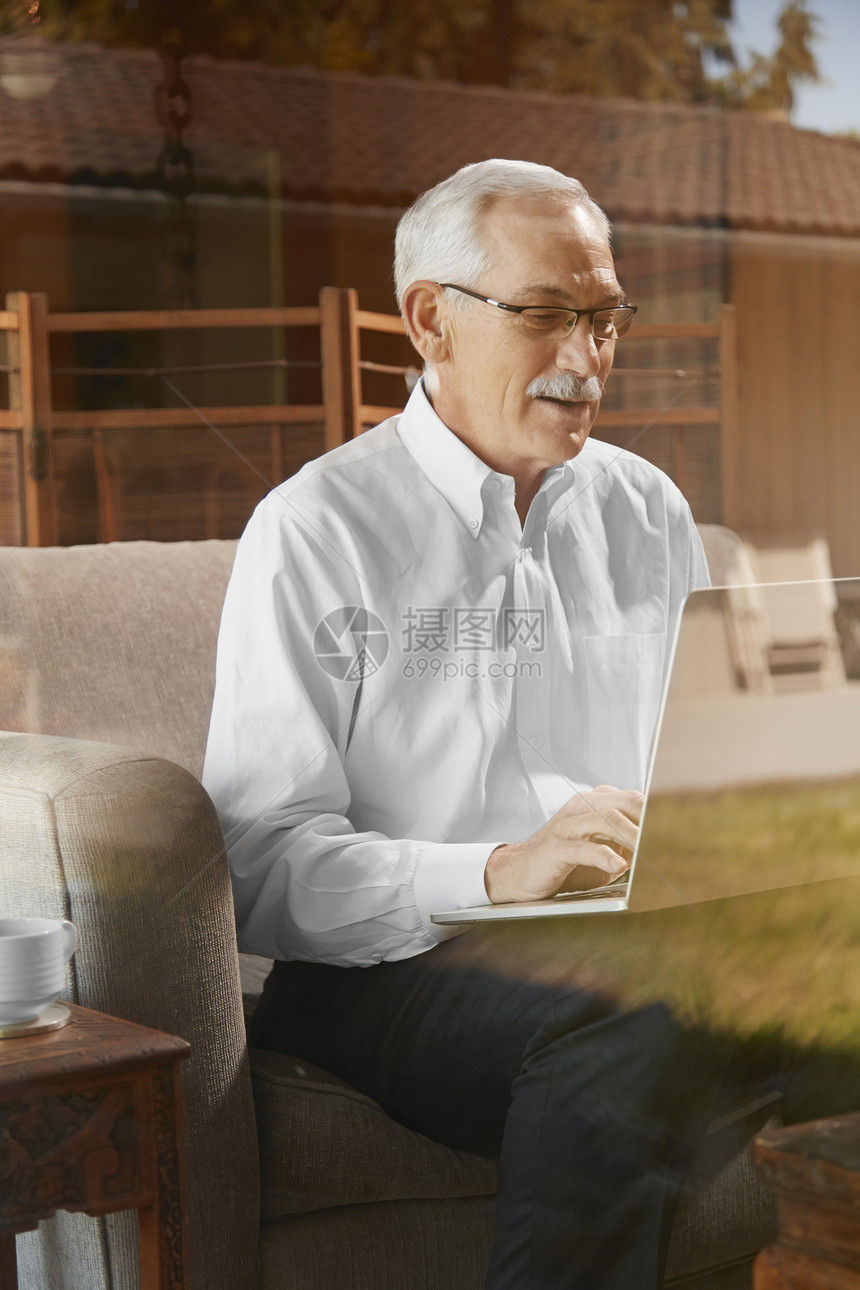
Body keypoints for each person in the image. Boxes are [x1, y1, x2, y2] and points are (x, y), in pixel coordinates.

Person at [203, 159, 718, 1289]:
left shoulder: (646, 510)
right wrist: (494, 870)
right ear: (432, 320)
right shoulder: (314, 529)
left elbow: (702, 773)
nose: (585, 359)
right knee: (634, 1020)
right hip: (386, 971)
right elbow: (256, 866)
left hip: (633, 936)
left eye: (604, 318)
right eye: (545, 316)